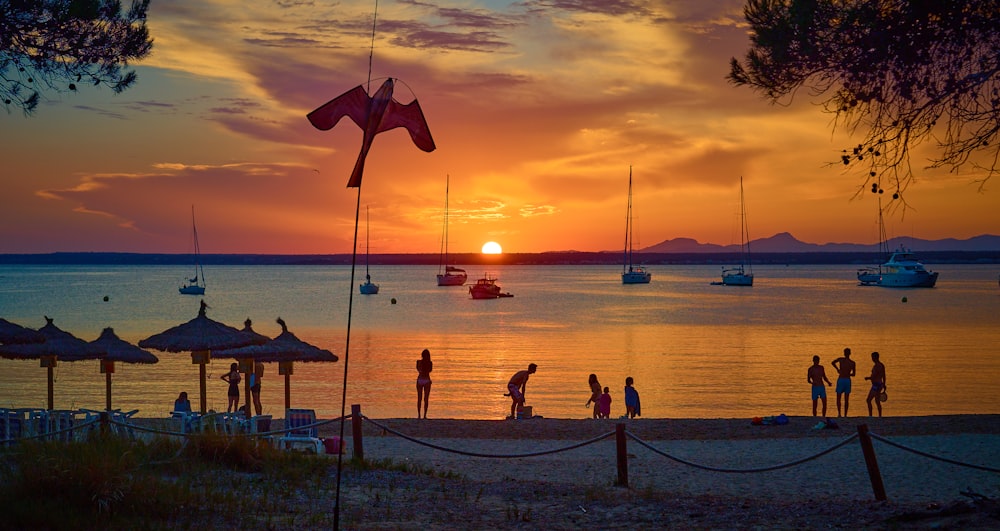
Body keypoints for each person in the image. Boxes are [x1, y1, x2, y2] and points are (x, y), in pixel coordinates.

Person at [831, 347, 856, 417]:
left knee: (839, 397)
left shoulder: (841, 360)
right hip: (847, 380)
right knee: (846, 398)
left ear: (844, 353)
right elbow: (853, 374)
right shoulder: (852, 363)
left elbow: (832, 362)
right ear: (850, 353)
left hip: (842, 379)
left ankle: (839, 413)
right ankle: (845, 414)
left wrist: (838, 369)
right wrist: (847, 373)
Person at [865, 351, 887, 417]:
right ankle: (880, 415)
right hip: (880, 384)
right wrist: (884, 384)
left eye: (872, 357)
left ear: (875, 357)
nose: (872, 358)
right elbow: (884, 375)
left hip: (876, 385)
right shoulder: (882, 365)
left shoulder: (876, 366)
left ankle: (870, 415)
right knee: (877, 401)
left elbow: (874, 376)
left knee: (868, 400)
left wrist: (868, 378)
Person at [416, 348, 433, 419]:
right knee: (426, 399)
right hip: (427, 380)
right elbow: (430, 371)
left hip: (420, 379)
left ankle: (419, 415)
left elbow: (418, 370)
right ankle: (424, 415)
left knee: (419, 398)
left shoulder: (419, 362)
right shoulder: (430, 363)